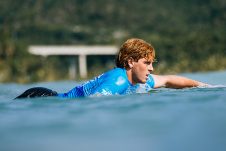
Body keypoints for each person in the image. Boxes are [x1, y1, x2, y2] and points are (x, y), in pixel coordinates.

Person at [15, 38, 208, 99]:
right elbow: (92, 104)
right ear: (131, 62)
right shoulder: (118, 80)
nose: (151, 69)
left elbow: (170, 80)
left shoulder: (141, 80)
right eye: (147, 63)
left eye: (152, 63)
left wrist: (205, 86)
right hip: (44, 97)